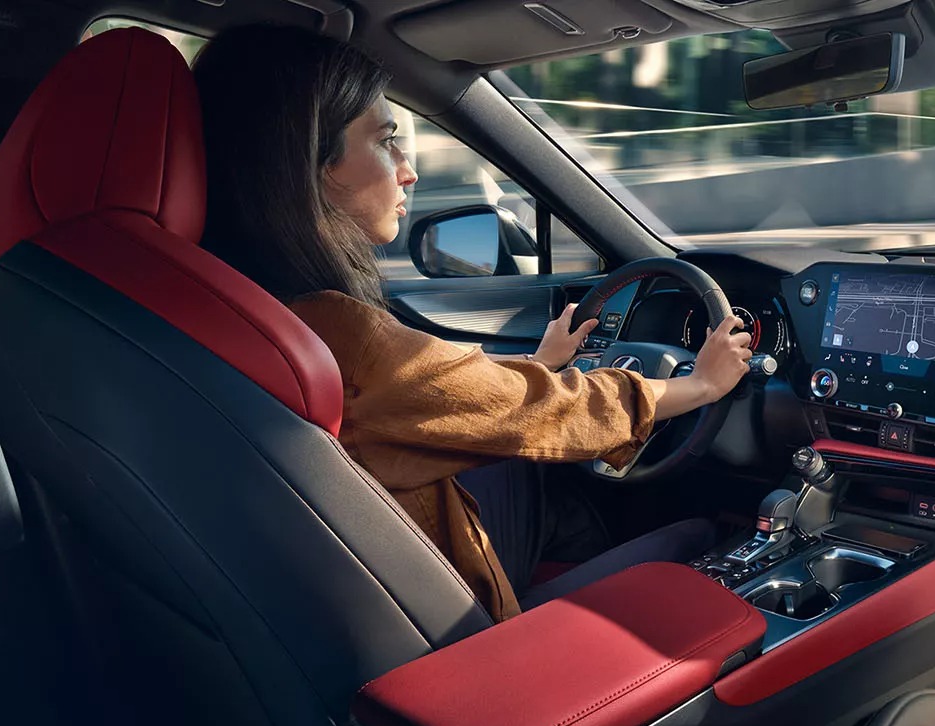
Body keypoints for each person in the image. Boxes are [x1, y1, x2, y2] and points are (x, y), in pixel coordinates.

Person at [191, 25, 752, 622]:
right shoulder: (337, 332)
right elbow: (546, 410)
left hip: (352, 580)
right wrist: (699, 386)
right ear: (312, 163)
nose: (408, 172)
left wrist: (537, 370)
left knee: (534, 475)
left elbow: (455, 399)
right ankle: (560, 643)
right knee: (698, 540)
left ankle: (561, 606)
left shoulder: (218, 298)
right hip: (433, 616)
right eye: (386, 142)